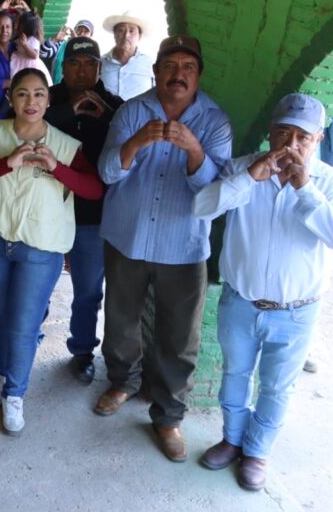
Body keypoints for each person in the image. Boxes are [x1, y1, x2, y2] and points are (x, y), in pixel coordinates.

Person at [192, 93, 333, 491]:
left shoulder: (332, 182)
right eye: (283, 133)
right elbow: (202, 208)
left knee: (277, 386)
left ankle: (257, 451)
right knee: (235, 375)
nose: (291, 145)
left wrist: (305, 188)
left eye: (302, 137)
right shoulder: (244, 168)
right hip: (240, 302)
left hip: (296, 311)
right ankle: (232, 439)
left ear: (319, 138)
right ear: (270, 132)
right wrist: (248, 178)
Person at [94, 35, 233, 462]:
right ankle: (123, 381)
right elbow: (107, 172)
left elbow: (217, 193)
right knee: (121, 320)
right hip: (128, 236)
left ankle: (169, 417)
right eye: (170, 66)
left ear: (198, 75)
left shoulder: (215, 122)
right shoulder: (132, 111)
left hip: (184, 246)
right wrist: (135, 142)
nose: (178, 74)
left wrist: (194, 150)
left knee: (179, 337)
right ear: (155, 71)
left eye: (187, 67)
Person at [0, 68, 104, 434]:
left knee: (23, 324)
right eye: (23, 93)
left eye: (39, 94)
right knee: (2, 316)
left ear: (49, 100)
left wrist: (56, 168)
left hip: (41, 247)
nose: (31, 101)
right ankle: (7, 377)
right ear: (11, 98)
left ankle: (15, 393)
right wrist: (6, 162)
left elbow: (93, 189)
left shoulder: (66, 145)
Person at [43, 38, 123, 383]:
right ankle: (28, 339)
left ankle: (82, 351)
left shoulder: (115, 106)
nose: (81, 71)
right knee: (36, 285)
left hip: (92, 215)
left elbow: (129, 148)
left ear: (99, 68)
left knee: (88, 290)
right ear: (64, 67)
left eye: (89, 64)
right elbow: (22, 129)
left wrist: (106, 118)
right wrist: (66, 112)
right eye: (74, 63)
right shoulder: (46, 98)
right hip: (45, 210)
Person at [100, 11, 155, 99]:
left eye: (131, 31)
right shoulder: (100, 63)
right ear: (114, 34)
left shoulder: (150, 63)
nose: (126, 35)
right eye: (121, 30)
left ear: (139, 36)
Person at [9, 12, 52, 85]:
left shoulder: (33, 40)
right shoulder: (21, 37)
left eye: (20, 24)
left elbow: (35, 55)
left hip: (28, 65)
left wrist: (25, 45)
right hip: (19, 61)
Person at [50, 19, 94, 84]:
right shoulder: (61, 45)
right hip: (56, 86)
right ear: (74, 31)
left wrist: (77, 43)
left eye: (86, 32)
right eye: (79, 30)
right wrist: (55, 39)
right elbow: (43, 53)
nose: (82, 33)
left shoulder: (92, 52)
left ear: (91, 35)